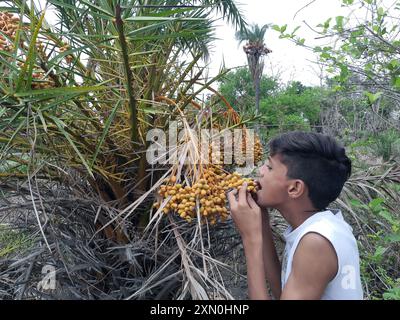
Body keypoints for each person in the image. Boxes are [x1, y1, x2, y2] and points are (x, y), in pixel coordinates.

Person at [227, 131, 363, 300]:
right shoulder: (321, 226)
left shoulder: (317, 242)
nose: (260, 171)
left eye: (269, 167)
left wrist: (250, 238)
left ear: (294, 188)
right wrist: (261, 222)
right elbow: (282, 293)